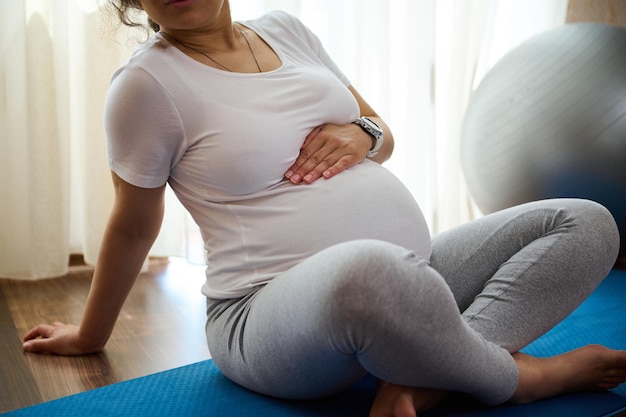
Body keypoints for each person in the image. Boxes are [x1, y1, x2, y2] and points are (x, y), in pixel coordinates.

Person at [23, 1, 626, 415]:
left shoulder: (287, 30)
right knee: (368, 268)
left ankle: (428, 379)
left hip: (411, 275)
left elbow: (381, 135)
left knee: (585, 221)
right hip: (265, 314)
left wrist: (362, 133)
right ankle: (524, 381)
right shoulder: (145, 86)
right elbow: (133, 225)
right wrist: (89, 335)